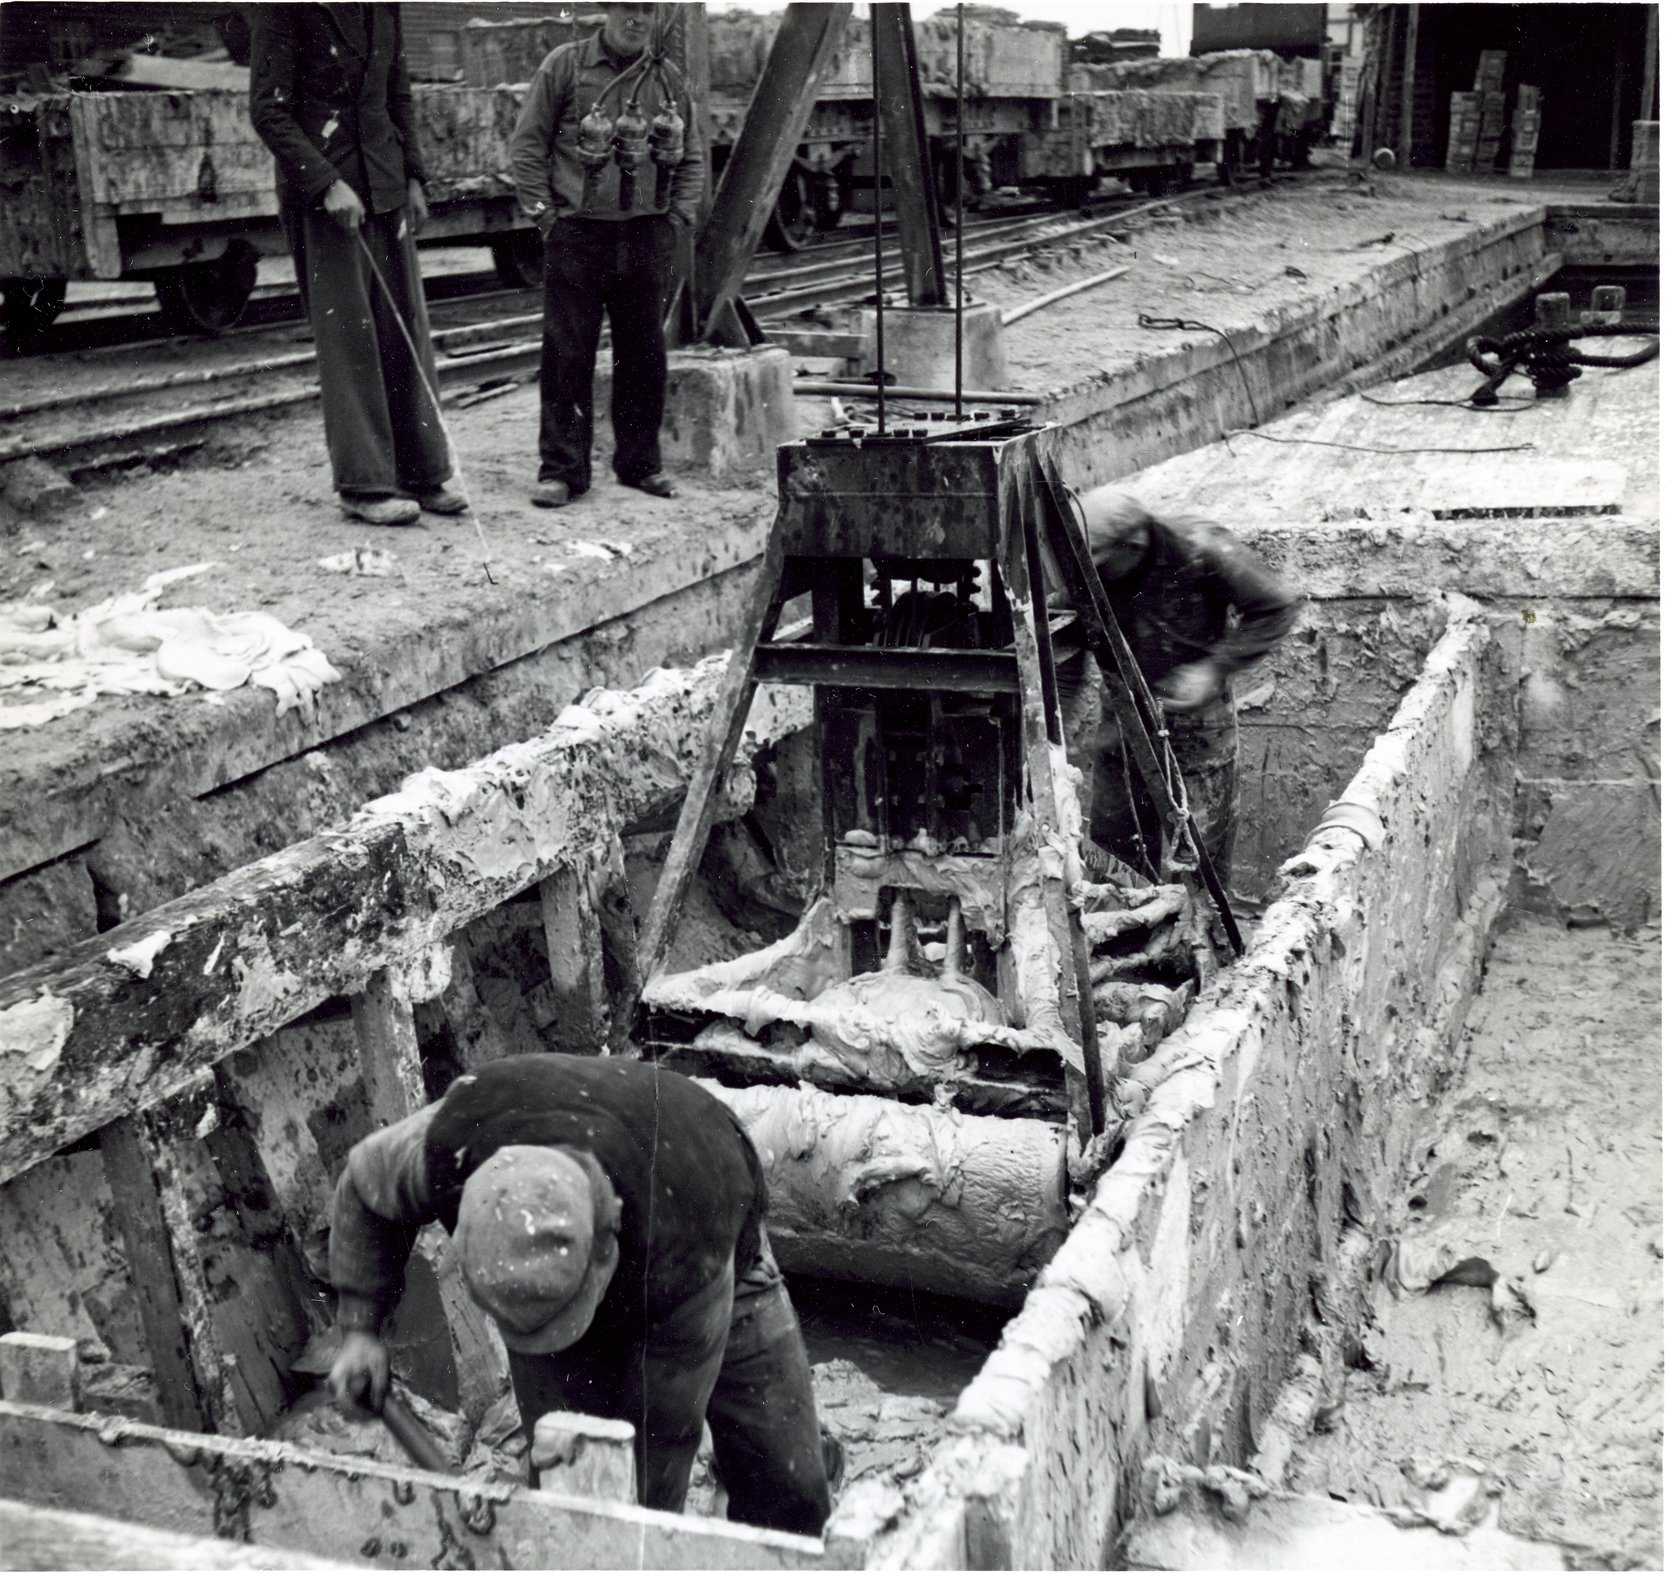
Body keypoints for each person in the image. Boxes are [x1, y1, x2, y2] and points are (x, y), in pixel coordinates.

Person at [326, 1053, 832, 1536]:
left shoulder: (685, 1234)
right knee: (566, 1484)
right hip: (587, 1221)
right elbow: (363, 1190)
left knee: (789, 1483)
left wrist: (632, 1547)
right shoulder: (452, 1145)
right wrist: (360, 1331)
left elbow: (663, 1438)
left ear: (605, 1243)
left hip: (708, 1238)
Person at [249, 4, 466, 527]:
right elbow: (268, 110)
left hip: (385, 184)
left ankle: (423, 473)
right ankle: (364, 485)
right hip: (328, 197)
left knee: (404, 329)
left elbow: (398, 96)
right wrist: (325, 182)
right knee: (350, 338)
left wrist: (413, 175)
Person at [508, 3, 705, 509]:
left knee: (643, 355)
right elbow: (527, 145)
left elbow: (693, 154)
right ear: (607, 11)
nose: (636, 19)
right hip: (577, 235)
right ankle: (562, 472)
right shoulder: (565, 65)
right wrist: (544, 216)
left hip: (645, 235)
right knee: (567, 354)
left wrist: (678, 215)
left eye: (646, 10)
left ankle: (641, 464)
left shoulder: (667, 77)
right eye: (627, 7)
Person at [1066, 485, 1300, 885]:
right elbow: (1065, 644)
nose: (1093, 577)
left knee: (1198, 864)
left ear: (1134, 546)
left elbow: (1276, 606)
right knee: (1113, 858)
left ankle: (1201, 946)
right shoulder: (1088, 567)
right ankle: (1124, 937)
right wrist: (1060, 728)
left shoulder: (1199, 548)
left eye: (1102, 566)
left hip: (1197, 725)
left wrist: (1213, 669)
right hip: (1123, 726)